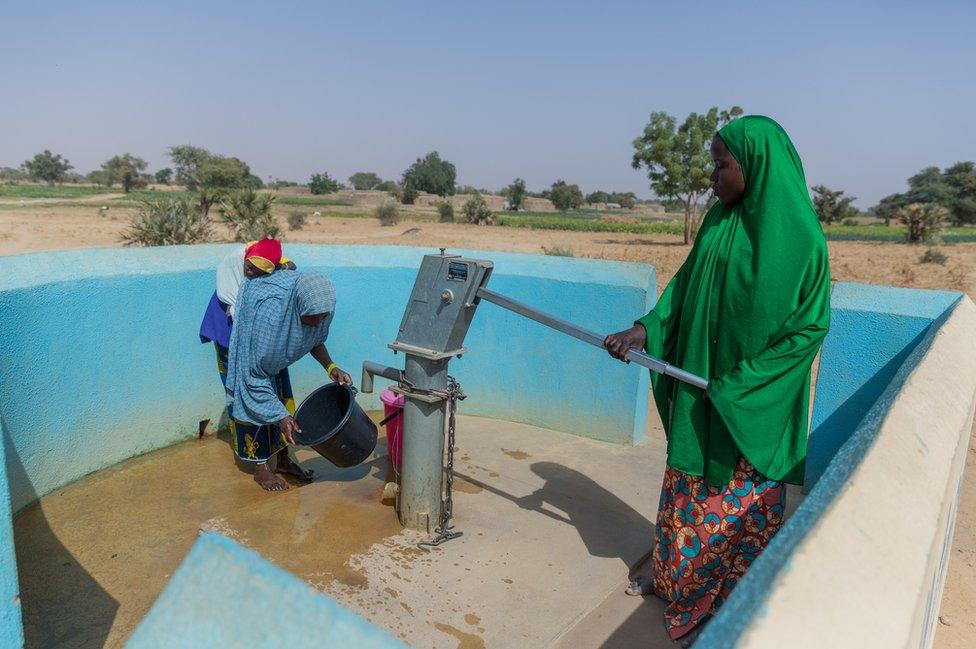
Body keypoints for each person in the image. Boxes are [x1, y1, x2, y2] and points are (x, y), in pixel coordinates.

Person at [604, 116, 831, 641]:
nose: (712, 174)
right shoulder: (717, 222)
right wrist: (646, 328)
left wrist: (743, 384)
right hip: (701, 393)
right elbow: (685, 285)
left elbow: (809, 329)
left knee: (737, 517)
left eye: (721, 163)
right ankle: (678, 586)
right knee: (688, 501)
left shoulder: (804, 245)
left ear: (754, 165)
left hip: (753, 407)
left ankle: (725, 606)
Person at [225, 269, 353, 491]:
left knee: (282, 398)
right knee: (252, 404)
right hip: (245, 341)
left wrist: (331, 367)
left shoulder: (319, 310)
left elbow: (314, 339)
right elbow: (254, 376)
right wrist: (281, 417)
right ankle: (262, 467)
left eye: (323, 316)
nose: (318, 321)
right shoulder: (270, 323)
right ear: (297, 308)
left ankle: (283, 460)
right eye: (313, 316)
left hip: (273, 354)